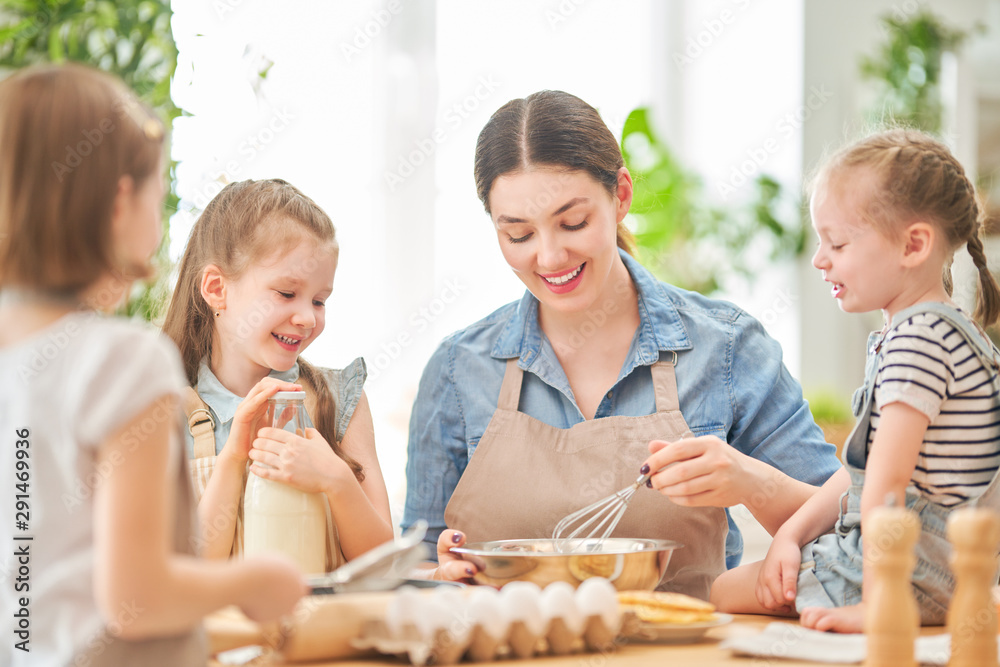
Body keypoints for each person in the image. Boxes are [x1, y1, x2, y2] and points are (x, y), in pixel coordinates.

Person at [401, 90, 841, 599]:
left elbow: (853, 530)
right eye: (518, 235)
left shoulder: (724, 348)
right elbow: (416, 569)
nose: (549, 256)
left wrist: (749, 480)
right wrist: (436, 576)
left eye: (573, 223)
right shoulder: (458, 371)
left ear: (621, 194)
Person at [0, 64, 304, 667]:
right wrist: (255, 583)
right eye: (155, 191)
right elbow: (136, 599)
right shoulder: (122, 359)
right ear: (119, 200)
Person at [710, 129, 1000, 632]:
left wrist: (877, 604)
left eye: (838, 243)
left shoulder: (919, 341)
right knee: (750, 581)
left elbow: (884, 488)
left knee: (722, 590)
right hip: (948, 562)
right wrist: (792, 535)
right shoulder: (935, 330)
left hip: (916, 568)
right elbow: (865, 472)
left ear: (914, 244)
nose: (821, 259)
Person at [162, 178, 393, 569]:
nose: (306, 317)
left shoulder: (338, 400)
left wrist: (336, 480)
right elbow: (187, 569)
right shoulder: (165, 410)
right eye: (287, 294)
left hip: (324, 630)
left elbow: (383, 563)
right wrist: (234, 457)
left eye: (320, 300)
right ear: (217, 288)